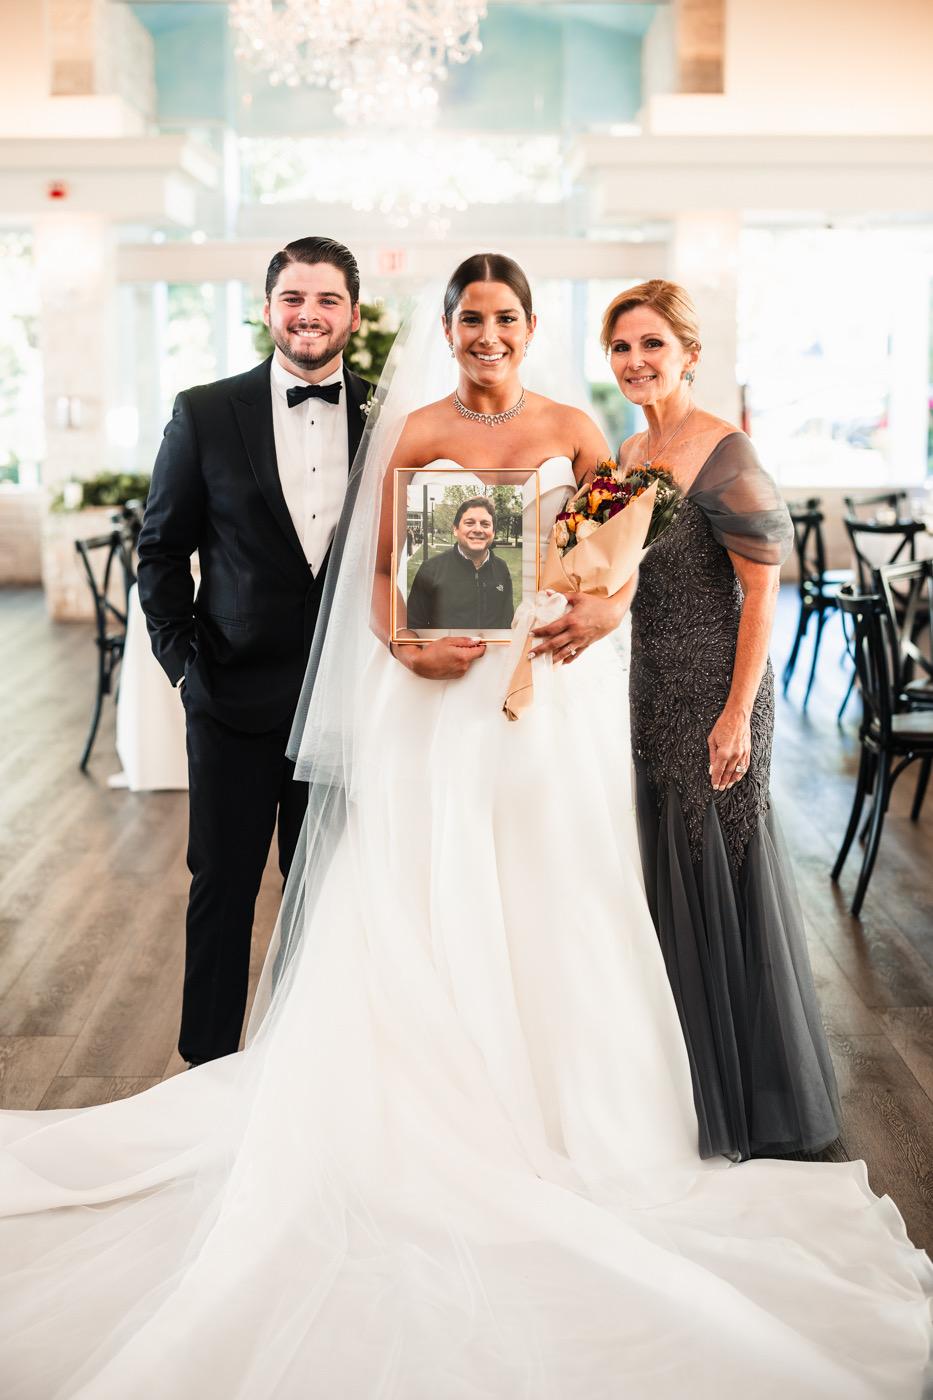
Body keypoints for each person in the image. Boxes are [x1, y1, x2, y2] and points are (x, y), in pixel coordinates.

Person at [0, 256, 929, 1399]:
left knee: (558, 879)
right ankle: (426, 1101)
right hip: (437, 696)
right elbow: (381, 572)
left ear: (530, 326)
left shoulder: (579, 428)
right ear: (446, 329)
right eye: (471, 318)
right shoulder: (419, 431)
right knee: (425, 883)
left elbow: (620, 558)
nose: (488, 333)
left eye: (506, 317)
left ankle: (573, 1105)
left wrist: (600, 609)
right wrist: (403, 639)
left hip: (549, 699)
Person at [603, 278, 840, 1161]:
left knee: (717, 866)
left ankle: (749, 1099)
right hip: (649, 685)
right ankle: (680, 1085)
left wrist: (736, 713)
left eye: (651, 345)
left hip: (716, 689)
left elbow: (761, 595)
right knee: (665, 863)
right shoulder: (631, 449)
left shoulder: (726, 452)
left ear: (689, 354)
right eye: (621, 347)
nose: (635, 361)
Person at [136, 235, 372, 1067]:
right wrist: (184, 667)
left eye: (327, 299)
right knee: (222, 889)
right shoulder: (204, 411)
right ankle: (205, 1071)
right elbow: (160, 550)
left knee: (328, 899)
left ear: (353, 314)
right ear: (268, 308)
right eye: (294, 298)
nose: (310, 313)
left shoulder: (390, 417)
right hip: (230, 695)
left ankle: (305, 1071)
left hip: (346, 701)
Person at [406, 496, 514, 630]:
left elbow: (507, 621)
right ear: (455, 529)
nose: (478, 529)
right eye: (469, 523)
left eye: (485, 524)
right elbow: (413, 626)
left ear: (493, 532)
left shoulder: (501, 568)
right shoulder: (430, 570)